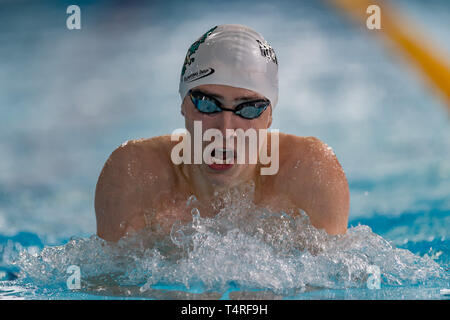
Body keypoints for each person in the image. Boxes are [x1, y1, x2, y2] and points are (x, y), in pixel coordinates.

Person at [95, 24, 350, 242]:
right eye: (208, 104)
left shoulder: (309, 174)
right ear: (184, 104)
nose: (226, 129)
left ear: (270, 115)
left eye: (248, 109)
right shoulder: (135, 174)